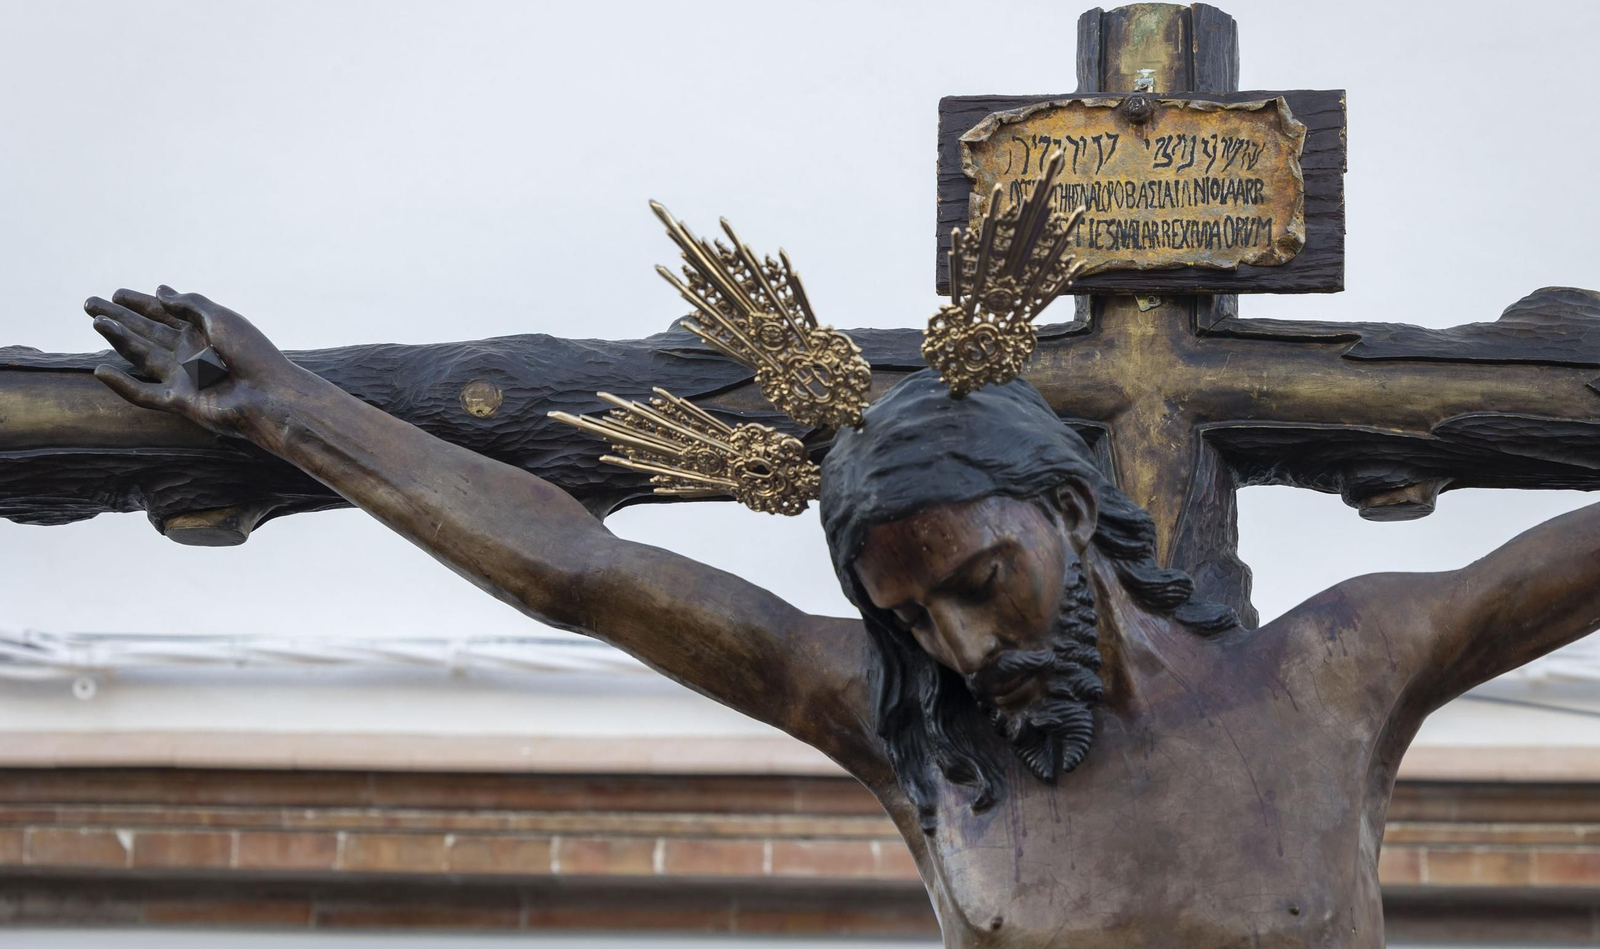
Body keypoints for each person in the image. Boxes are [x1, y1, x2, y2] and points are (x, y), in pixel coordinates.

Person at [83, 284, 1600, 948]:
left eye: (975, 580)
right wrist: (288, 411)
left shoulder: (1334, 673)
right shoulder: (914, 738)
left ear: (1065, 508)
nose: (956, 643)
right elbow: (585, 570)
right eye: (910, 611)